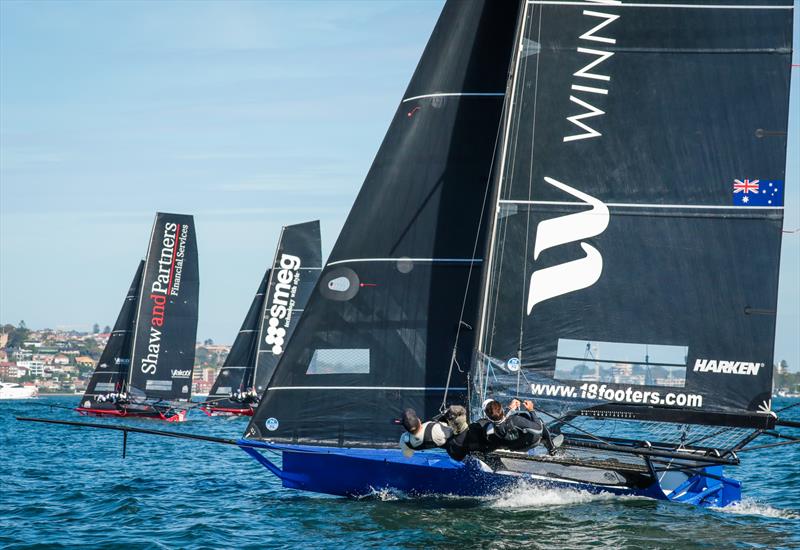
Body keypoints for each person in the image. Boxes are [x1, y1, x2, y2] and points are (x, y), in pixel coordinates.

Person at [484, 398, 563, 454]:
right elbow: (539, 428)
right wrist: (531, 410)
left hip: (514, 447)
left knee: (522, 418)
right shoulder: (516, 420)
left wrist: (510, 408)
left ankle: (541, 440)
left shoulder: (491, 426)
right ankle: (551, 449)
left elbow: (501, 419)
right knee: (538, 421)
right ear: (502, 408)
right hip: (530, 444)